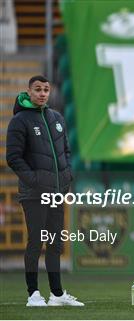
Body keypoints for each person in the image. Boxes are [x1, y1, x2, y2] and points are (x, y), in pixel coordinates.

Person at [6, 75, 84, 307]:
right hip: (34, 194)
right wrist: (35, 180)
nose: (42, 93)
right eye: (37, 89)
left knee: (55, 243)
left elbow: (67, 152)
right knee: (36, 242)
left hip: (56, 193)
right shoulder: (19, 120)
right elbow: (13, 157)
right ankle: (33, 294)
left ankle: (57, 295)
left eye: (46, 89)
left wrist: (67, 175)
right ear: (29, 92)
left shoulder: (57, 118)